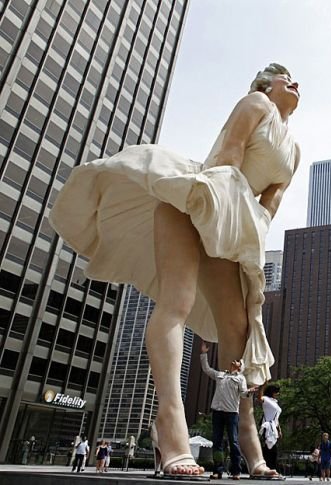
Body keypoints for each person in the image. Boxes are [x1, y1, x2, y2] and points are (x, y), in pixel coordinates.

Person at [49, 63, 300, 478]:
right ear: (264, 85)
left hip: (233, 222)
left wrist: (246, 244)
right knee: (176, 304)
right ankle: (171, 426)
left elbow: (269, 203)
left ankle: (248, 437)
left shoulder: (294, 148)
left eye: (296, 79)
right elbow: (229, 154)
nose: (294, 83)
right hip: (196, 200)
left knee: (237, 328)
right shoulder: (256, 103)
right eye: (285, 76)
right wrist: (223, 212)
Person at [201, 341, 248, 479]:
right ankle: (217, 470)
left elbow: (244, 394)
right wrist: (204, 353)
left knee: (233, 441)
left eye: (238, 361)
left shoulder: (240, 378)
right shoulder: (220, 375)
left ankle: (236, 471)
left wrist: (250, 392)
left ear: (240, 367)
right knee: (217, 442)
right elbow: (207, 369)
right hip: (217, 412)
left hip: (232, 413)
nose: (235, 360)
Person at [258, 384, 282, 471]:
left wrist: (279, 429)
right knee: (269, 449)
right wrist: (262, 387)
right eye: (276, 392)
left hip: (274, 428)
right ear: (272, 392)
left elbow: (276, 418)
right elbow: (259, 398)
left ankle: (271, 468)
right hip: (267, 427)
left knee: (272, 449)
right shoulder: (266, 399)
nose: (278, 394)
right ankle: (268, 468)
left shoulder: (275, 402)